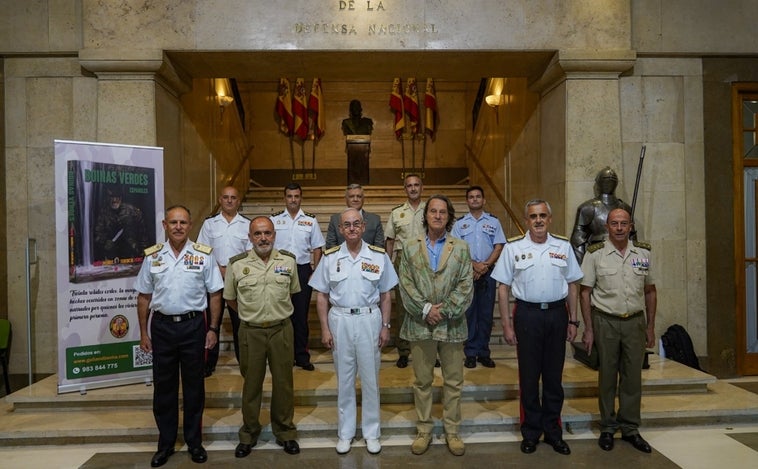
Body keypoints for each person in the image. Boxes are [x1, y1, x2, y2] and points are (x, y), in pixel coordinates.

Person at [491, 199, 582, 456]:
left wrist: (573, 319)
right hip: (527, 316)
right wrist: (507, 324)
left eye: (543, 215)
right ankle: (531, 431)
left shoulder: (563, 247)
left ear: (550, 219)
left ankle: (553, 432)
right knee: (529, 378)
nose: (538, 220)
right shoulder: (513, 248)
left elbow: (573, 284)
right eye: (533, 216)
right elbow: (503, 287)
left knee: (554, 378)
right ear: (527, 220)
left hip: (556, 315)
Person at [135, 205, 223, 467]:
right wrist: (143, 331)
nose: (178, 227)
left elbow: (215, 294)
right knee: (164, 388)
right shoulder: (152, 256)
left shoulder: (203, 255)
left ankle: (195, 443)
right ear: (164, 225)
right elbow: (144, 296)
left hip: (193, 326)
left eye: (183, 222)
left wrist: (213, 329)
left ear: (190, 225)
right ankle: (166, 444)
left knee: (194, 387)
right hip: (161, 328)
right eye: (173, 222)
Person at [309, 208, 398, 455]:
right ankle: (345, 433)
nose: (351, 228)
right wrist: (325, 328)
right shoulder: (330, 258)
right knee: (345, 381)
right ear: (339, 229)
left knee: (370, 381)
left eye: (356, 224)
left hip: (370, 319)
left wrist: (386, 326)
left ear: (363, 225)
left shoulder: (379, 256)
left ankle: (372, 433)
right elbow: (322, 296)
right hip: (340, 321)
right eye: (346, 225)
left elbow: (386, 295)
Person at [399, 195, 473, 456]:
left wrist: (444, 310)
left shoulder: (461, 248)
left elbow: (466, 285)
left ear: (449, 216)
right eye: (433, 211)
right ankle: (424, 430)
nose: (438, 215)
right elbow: (405, 284)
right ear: (426, 215)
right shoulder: (409, 247)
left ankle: (452, 431)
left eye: (443, 212)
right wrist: (426, 309)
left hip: (452, 325)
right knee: (422, 381)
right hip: (420, 324)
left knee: (453, 381)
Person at [579, 207, 656, 454]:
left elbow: (650, 291)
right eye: (615, 223)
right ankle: (608, 427)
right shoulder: (595, 254)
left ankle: (631, 428)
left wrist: (651, 326)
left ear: (631, 226)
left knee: (633, 377)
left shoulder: (643, 253)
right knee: (608, 376)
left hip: (635, 321)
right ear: (607, 226)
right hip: (606, 321)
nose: (620, 228)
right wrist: (588, 329)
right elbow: (585, 292)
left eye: (624, 223)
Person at [224, 216, 301, 457]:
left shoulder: (288, 261)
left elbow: (293, 292)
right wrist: (252, 314)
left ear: (274, 235)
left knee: (284, 384)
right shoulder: (236, 264)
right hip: (251, 332)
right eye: (257, 234)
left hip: (281, 330)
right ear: (250, 237)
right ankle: (248, 433)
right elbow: (230, 299)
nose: (263, 238)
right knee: (251, 384)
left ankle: (285, 432)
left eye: (267, 233)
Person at [196, 186, 252, 376]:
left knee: (241, 324)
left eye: (233, 198)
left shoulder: (247, 224)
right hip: (213, 281)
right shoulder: (210, 224)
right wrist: (218, 269)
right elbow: (202, 251)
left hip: (239, 282)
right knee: (212, 324)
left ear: (238, 201)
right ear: (220, 199)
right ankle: (208, 364)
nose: (229, 201)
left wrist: (233, 271)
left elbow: (251, 254)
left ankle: (245, 363)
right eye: (226, 197)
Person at [270, 182, 325, 370]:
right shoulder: (275, 220)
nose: (293, 200)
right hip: (279, 270)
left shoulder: (310, 220)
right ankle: (283, 355)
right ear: (284, 198)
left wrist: (315, 273)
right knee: (280, 315)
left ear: (301, 197)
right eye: (289, 196)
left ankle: (301, 356)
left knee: (300, 316)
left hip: (302, 270)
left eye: (296, 196)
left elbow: (318, 248)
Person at [451, 186, 506, 368]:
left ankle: (484, 352)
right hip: (467, 273)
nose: (474, 199)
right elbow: (456, 248)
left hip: (488, 273)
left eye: (478, 197)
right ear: (467, 201)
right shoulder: (459, 224)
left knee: (486, 315)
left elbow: (498, 246)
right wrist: (474, 265)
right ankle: (471, 353)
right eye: (471, 197)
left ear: (483, 200)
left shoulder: (494, 222)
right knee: (470, 313)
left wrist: (485, 266)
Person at [385, 174, 426, 368]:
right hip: (402, 260)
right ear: (405, 189)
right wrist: (387, 264)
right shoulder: (396, 213)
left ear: (422, 187)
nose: (413, 188)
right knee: (402, 308)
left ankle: (428, 348)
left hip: (427, 260)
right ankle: (403, 350)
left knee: (427, 305)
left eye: (416, 185)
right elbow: (390, 241)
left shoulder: (431, 210)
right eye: (409, 185)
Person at [570, 167, 634, 264]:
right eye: (606, 180)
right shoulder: (588, 207)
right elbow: (578, 240)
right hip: (598, 256)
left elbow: (632, 237)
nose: (609, 183)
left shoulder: (625, 208)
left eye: (612, 180)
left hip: (623, 255)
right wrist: (582, 265)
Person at [94, 185, 148, 262]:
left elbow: (143, 233)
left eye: (117, 197)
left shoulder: (133, 211)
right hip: (112, 255)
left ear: (121, 198)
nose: (114, 200)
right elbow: (98, 234)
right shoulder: (103, 214)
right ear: (107, 198)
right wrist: (105, 242)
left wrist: (143, 251)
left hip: (132, 254)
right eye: (111, 197)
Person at [325, 184, 384, 249]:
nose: (355, 199)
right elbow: (331, 245)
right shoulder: (335, 219)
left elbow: (379, 246)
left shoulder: (375, 220)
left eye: (359, 196)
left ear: (363, 199)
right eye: (351, 196)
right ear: (346, 199)